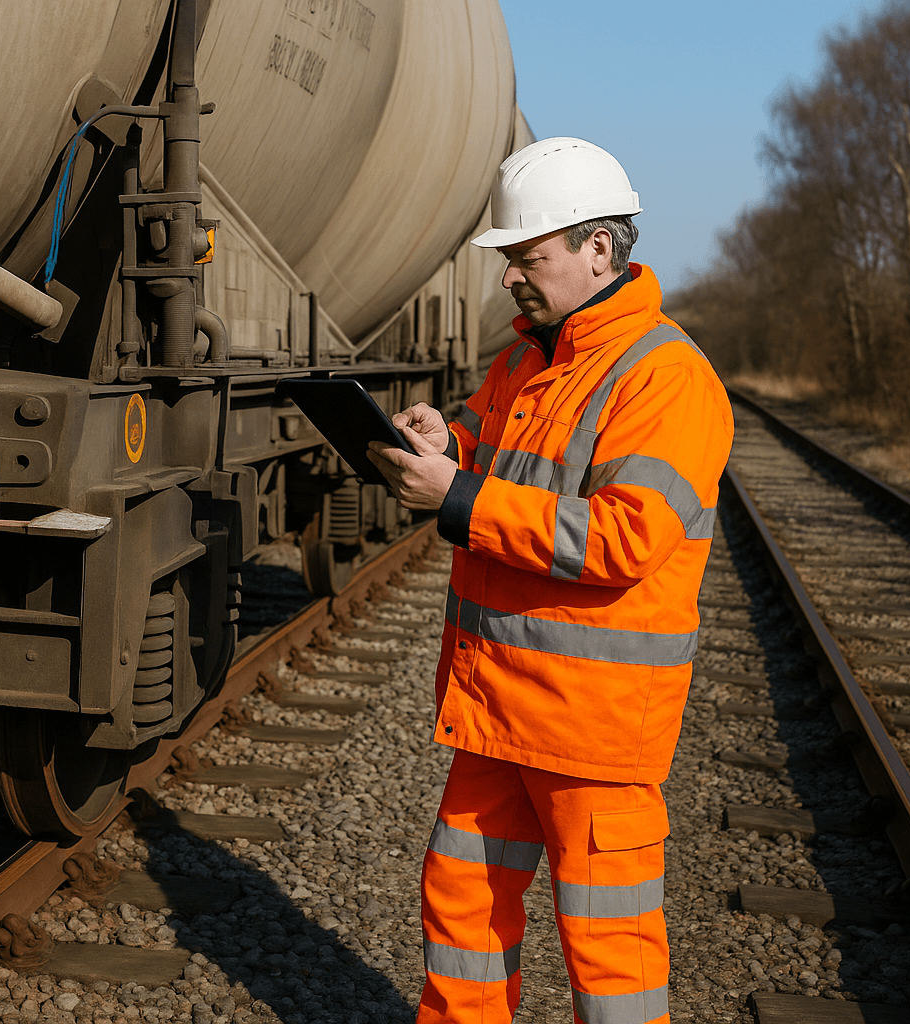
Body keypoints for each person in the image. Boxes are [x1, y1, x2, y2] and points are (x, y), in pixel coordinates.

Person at [367, 137, 733, 1024]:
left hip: (593, 731)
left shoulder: (666, 376)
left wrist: (458, 496)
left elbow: (623, 536)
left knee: (608, 954)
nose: (509, 281)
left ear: (596, 248)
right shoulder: (527, 363)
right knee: (459, 912)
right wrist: (450, 447)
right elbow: (509, 465)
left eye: (527, 258)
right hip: (499, 710)